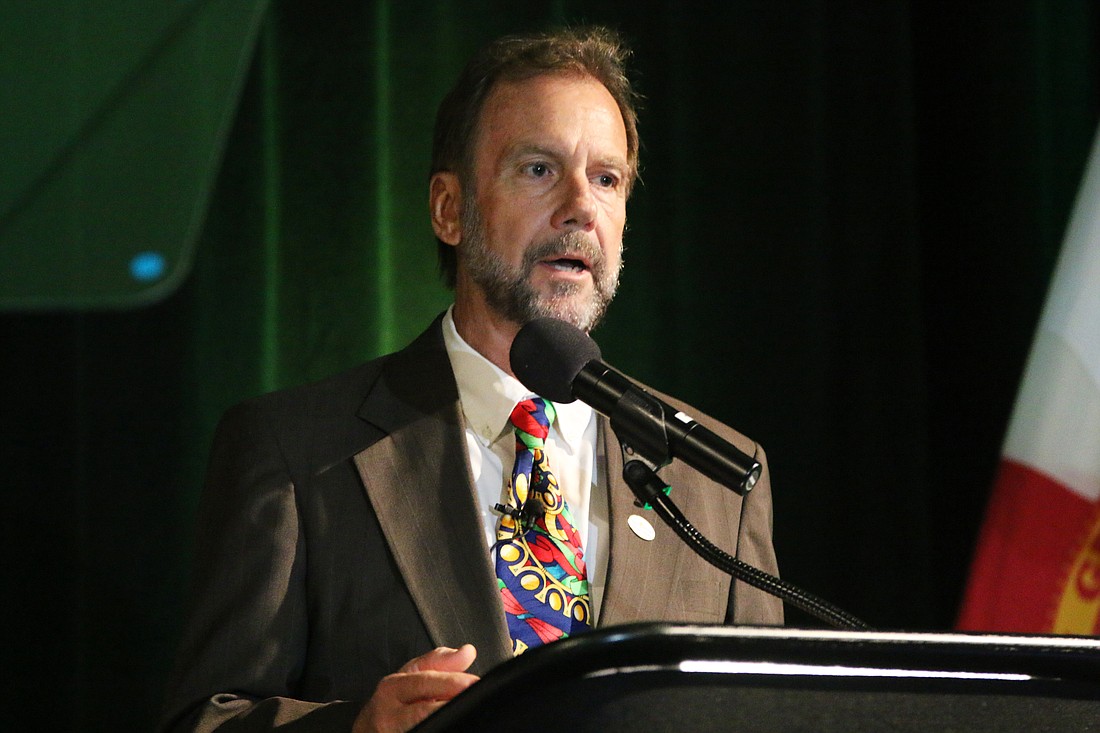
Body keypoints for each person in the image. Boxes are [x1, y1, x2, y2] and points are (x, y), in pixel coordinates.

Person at [159, 26, 782, 733]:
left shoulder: (713, 482)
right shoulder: (297, 452)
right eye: (539, 169)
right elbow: (203, 722)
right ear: (449, 210)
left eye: (607, 178)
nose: (582, 205)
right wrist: (358, 728)